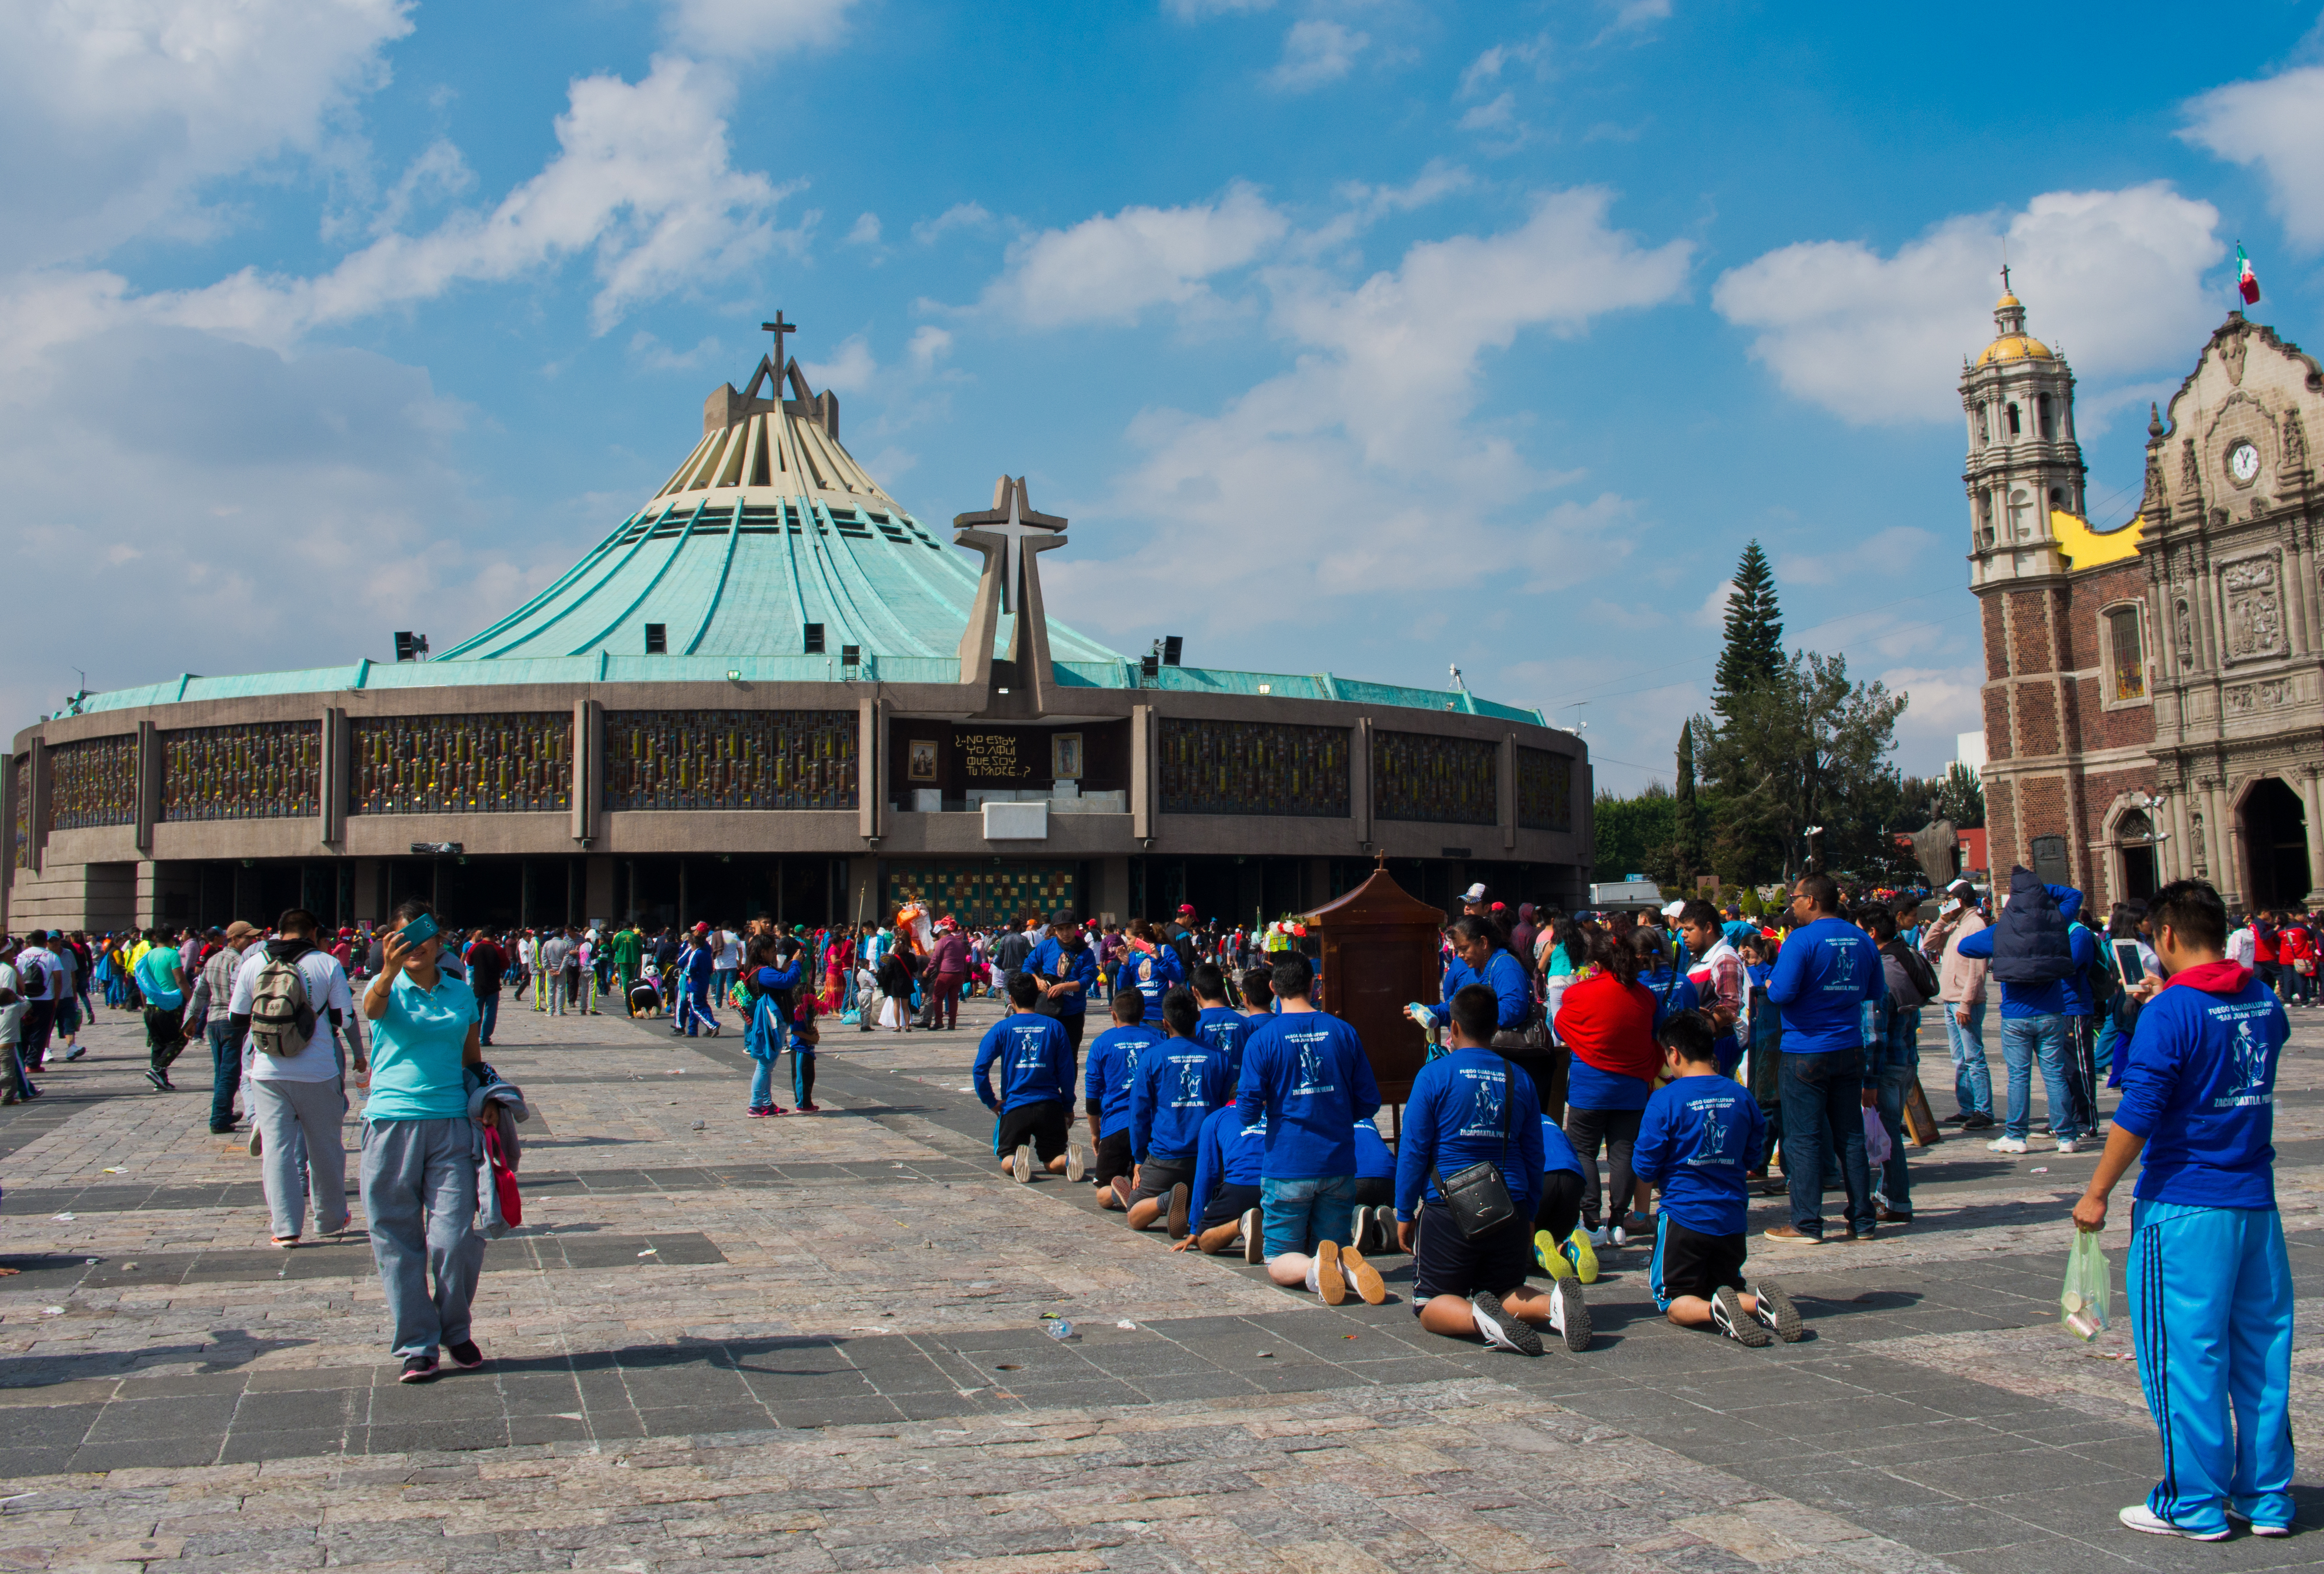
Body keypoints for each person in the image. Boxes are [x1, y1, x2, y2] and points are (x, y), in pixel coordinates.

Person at [2072, 879, 2293, 1541]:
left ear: (2164, 934)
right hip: (2253, 1202)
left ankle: (2192, 1501)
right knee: (2260, 1352)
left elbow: (2140, 1109)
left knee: (2185, 1356)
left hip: (2184, 1201)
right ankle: (2266, 1497)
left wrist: (2096, 1190)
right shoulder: (2262, 998)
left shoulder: (2171, 1010)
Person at [1396, 982, 1579, 1354]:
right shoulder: (1520, 1078)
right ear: (1496, 1027)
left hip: (1450, 1208)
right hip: (1510, 1205)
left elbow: (1414, 1150)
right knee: (1506, 1289)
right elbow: (1535, 1154)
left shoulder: (1433, 1076)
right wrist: (1530, 1212)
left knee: (1430, 1303)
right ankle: (1553, 1306)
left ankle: (1483, 1321)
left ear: (1454, 1028)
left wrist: (1403, 1211)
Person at [359, 901, 491, 1383]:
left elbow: (472, 1058)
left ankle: (455, 1328)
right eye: (403, 938)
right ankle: (418, 1343)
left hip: (451, 1123)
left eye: (423, 936)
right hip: (391, 1124)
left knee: (454, 1238)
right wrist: (388, 969)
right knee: (396, 1239)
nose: (415, 946)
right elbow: (372, 1009)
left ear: (440, 941)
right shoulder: (384, 987)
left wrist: (490, 1096)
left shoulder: (461, 993)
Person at [1633, 1011, 1800, 1346]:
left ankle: (1717, 1312)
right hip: (1732, 1220)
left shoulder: (1665, 1099)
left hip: (1684, 1218)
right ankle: (1759, 1304)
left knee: (1673, 1301)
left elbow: (1645, 1166)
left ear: (1674, 1054)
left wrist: (1639, 1214)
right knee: (1727, 1286)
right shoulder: (1741, 1095)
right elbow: (1754, 1155)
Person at [1237, 953, 1382, 1302]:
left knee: (1277, 1258)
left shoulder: (1263, 1039)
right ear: (1313, 985)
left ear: (1273, 988)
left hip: (1288, 1163)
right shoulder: (1343, 1032)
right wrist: (1336, 1111)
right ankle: (1342, 1264)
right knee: (1333, 1242)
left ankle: (1317, 1266)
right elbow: (1369, 1101)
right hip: (1337, 1161)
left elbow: (1246, 1111)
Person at [232, 908, 362, 1248]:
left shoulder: (253, 963)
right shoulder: (326, 964)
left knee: (277, 1151)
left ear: (279, 931)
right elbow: (345, 1018)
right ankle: (331, 1218)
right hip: (318, 1070)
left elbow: (236, 1017)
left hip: (268, 1071)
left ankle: (286, 1228)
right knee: (325, 1148)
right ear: (313, 931)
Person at [1954, 868, 2096, 1155]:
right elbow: (2075, 895)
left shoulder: (2003, 929)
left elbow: (1966, 947)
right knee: (2055, 1075)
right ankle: (2066, 1136)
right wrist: (2042, 890)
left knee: (2019, 1077)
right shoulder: (2057, 920)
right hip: (2052, 1011)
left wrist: (2001, 943)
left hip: (2016, 1014)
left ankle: (2017, 1136)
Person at [1555, 932, 1659, 1248]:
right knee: (1624, 1152)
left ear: (1596, 963)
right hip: (1632, 1087)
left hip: (1589, 1088)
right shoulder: (1645, 996)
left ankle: (1591, 1221)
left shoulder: (1579, 993)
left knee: (1584, 1151)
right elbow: (1655, 1032)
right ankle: (1618, 1222)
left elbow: (1561, 1025)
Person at [1119, 987, 1233, 1234]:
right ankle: (1190, 1202)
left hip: (1166, 1157)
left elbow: (1138, 1114)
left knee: (1134, 1213)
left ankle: (1166, 1200)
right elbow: (1227, 1109)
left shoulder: (1152, 1058)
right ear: (1198, 1017)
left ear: (1165, 1023)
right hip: (1208, 1158)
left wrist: (1139, 1158)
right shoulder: (1220, 1058)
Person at [973, 971, 1080, 1182]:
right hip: (1049, 1105)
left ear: (1012, 999)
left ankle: (1016, 1162)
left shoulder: (1002, 1028)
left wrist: (991, 1101)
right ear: (1038, 996)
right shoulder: (1055, 1027)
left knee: (1006, 1157)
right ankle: (1067, 1161)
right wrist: (1068, 1105)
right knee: (1052, 1159)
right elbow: (1067, 1072)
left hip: (1016, 1106)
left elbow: (980, 1069)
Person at [1860, 908, 1927, 1226]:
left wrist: (1869, 1080)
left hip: (1887, 1066)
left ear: (1871, 933)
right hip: (1906, 1058)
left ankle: (1898, 1201)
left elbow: (1874, 1035)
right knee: (1889, 1132)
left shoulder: (1881, 970)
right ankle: (1888, 1194)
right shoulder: (1903, 959)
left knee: (1888, 1136)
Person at [1921, 879, 1995, 1130]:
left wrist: (1966, 1003)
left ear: (1959, 901)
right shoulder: (1956, 924)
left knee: (1974, 1057)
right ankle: (1967, 1107)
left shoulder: (1975, 925)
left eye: (1949, 900)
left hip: (1965, 1002)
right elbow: (1928, 945)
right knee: (1960, 1058)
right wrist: (1941, 921)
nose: (1945, 903)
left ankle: (1984, 1110)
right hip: (1951, 998)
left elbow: (1978, 971)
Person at [1083, 990, 1158, 1209]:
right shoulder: (1157, 1040)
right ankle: (1148, 1194)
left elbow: (1092, 1096)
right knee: (1150, 1180)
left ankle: (1120, 1194)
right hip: (1150, 1127)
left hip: (1116, 1127)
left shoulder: (1101, 1043)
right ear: (1143, 1013)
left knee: (1102, 1194)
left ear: (1113, 1015)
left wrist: (1095, 1134)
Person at [187, 921, 261, 1133]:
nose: (252, 942)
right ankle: (219, 1118)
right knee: (230, 1073)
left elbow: (200, 992)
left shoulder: (213, 960)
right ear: (235, 939)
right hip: (232, 1023)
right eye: (248, 938)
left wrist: (191, 1018)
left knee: (222, 1072)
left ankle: (224, 1113)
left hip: (214, 1022)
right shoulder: (240, 962)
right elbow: (242, 994)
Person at [1176, 1093, 1267, 1258]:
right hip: (1277, 1186)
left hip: (1240, 1188)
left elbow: (1207, 1174)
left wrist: (1196, 1228)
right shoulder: (1278, 1113)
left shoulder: (1216, 1118)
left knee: (1205, 1241)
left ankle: (1241, 1224)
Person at [1677, 900, 1745, 1075]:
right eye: (1683, 929)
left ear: (1708, 928)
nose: (1683, 935)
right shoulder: (1701, 957)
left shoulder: (1724, 959)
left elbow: (1731, 1007)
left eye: (1689, 929)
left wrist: (1705, 1029)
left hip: (1719, 1051)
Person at [741, 936, 805, 1117]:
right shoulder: (763, 972)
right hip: (772, 1022)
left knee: (768, 1065)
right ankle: (755, 1105)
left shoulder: (763, 970)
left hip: (773, 1020)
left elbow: (782, 978)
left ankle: (766, 1103)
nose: (775, 953)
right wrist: (796, 963)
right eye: (773, 950)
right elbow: (788, 981)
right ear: (763, 952)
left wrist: (784, 969)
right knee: (765, 1065)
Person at [1029, 913, 1098, 1051]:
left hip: (1073, 1012)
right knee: (1046, 1054)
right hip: (1047, 1010)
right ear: (1055, 930)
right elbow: (1027, 966)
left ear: (1076, 928)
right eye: (1060, 929)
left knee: (1070, 1055)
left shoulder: (1086, 953)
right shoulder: (1046, 946)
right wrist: (1037, 980)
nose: (1065, 933)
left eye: (1068, 928)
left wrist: (1063, 987)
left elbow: (1087, 980)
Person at [133, 927, 189, 1090]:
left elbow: (143, 982)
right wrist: (191, 999)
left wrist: (145, 1005)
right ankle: (158, 1069)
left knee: (158, 1044)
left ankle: (160, 1081)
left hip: (151, 1006)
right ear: (172, 938)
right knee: (180, 1040)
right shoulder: (172, 954)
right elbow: (180, 980)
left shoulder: (148, 955)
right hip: (170, 1006)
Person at [1188, 964, 1253, 1082]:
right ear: (1224, 988)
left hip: (1209, 1089)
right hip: (1240, 1088)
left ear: (1195, 991)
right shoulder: (1247, 1023)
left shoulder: (1194, 1026)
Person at [465, 930, 508, 1048]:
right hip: (493, 985)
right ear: (494, 936)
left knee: (476, 1013)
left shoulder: (475, 948)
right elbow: (506, 965)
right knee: (491, 1013)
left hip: (479, 985)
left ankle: (474, 1038)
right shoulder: (498, 949)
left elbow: (469, 962)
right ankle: (485, 1038)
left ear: (483, 936)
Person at [925, 921, 971, 1031]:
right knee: (953, 999)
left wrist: (927, 971)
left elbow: (935, 959)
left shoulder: (943, 941)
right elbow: (964, 961)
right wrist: (963, 975)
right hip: (959, 974)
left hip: (946, 973)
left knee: (937, 997)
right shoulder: (960, 943)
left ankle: (939, 1021)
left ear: (941, 935)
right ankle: (952, 1023)